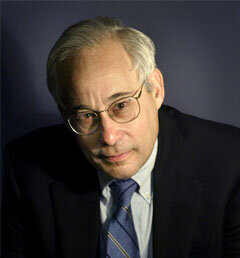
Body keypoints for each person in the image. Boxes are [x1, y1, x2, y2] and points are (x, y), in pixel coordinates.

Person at [2, 16, 240, 258]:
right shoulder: (25, 169)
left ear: (155, 89)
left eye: (121, 105)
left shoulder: (229, 162)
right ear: (65, 115)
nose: (109, 136)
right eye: (86, 115)